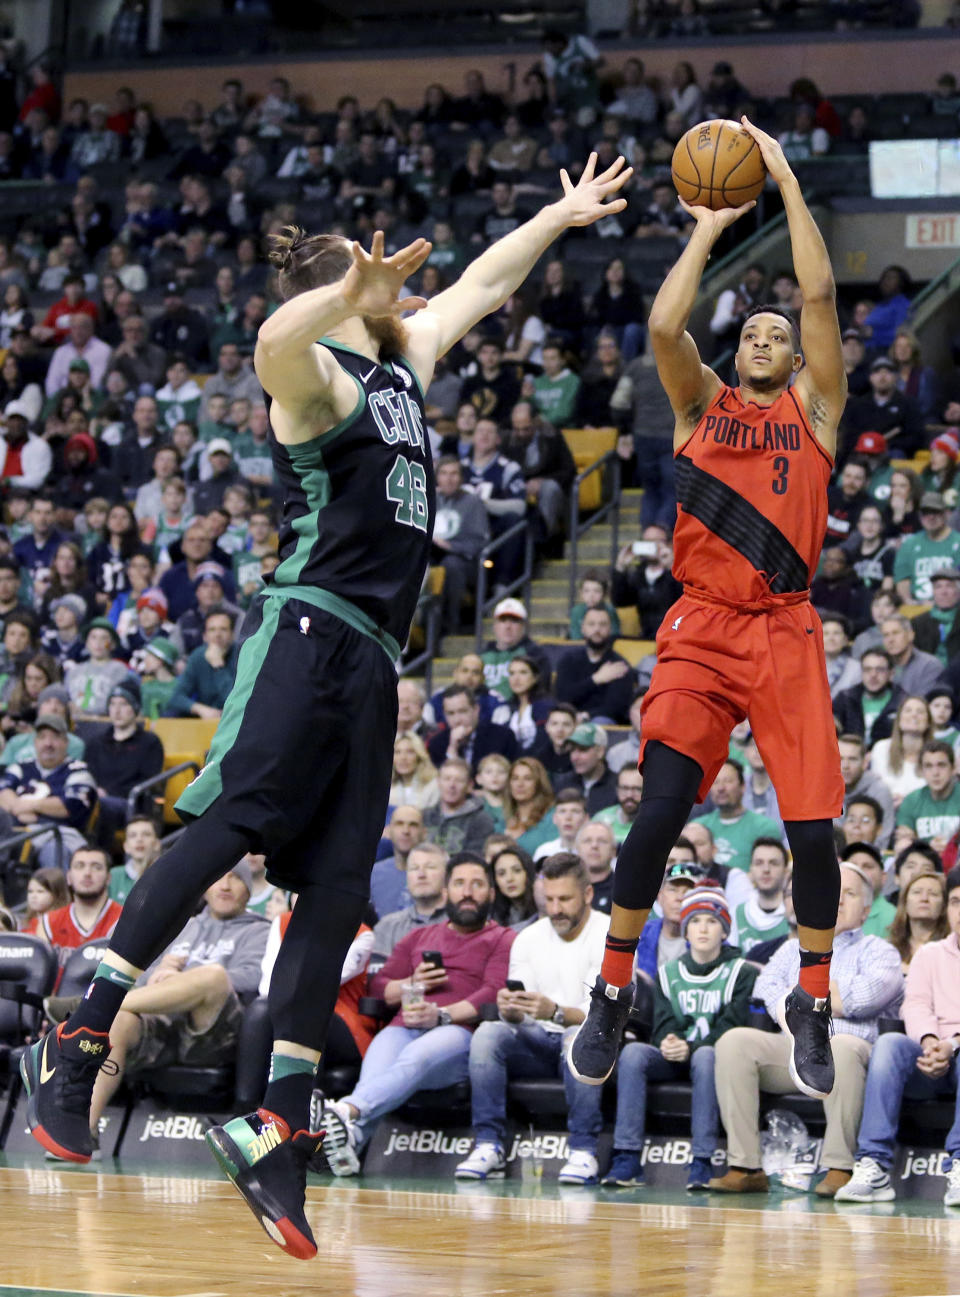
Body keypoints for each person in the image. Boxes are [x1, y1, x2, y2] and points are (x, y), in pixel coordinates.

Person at [20, 154, 630, 1258]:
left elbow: (484, 285)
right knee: (235, 825)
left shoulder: (398, 364)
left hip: (374, 662)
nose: (393, 285)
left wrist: (559, 213)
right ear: (335, 292)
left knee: (335, 891)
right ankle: (79, 1023)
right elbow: (266, 344)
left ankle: (276, 1127)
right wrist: (341, 295)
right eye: (365, 278)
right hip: (303, 629)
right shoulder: (315, 379)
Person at [568, 118, 850, 1104]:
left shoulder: (813, 414)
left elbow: (818, 291)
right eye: (754, 333)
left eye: (781, 335)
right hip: (700, 629)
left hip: (783, 629)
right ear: (735, 354)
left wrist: (778, 173)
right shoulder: (702, 407)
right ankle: (614, 984)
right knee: (656, 816)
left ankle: (813, 996)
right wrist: (703, 229)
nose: (770, 337)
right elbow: (661, 329)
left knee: (815, 835)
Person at [709, 862, 903, 1198]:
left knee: (839, 1045)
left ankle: (840, 1167)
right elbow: (766, 990)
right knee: (734, 1042)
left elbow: (863, 999)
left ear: (866, 910)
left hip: (853, 1051)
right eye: (833, 892)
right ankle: (746, 1166)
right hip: (795, 1045)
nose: (838, 900)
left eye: (850, 894)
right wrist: (829, 995)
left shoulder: (879, 950)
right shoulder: (792, 948)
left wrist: (802, 995)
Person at [320, 853, 515, 1175]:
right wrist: (410, 983)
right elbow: (378, 986)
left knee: (416, 1057)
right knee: (377, 1067)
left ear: (491, 894)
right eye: (460, 884)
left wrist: (440, 1015)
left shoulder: (503, 939)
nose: (468, 892)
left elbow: (493, 991)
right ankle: (349, 1146)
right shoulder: (418, 937)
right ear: (446, 891)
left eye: (478, 884)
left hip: (460, 1032)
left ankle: (347, 1110)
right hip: (404, 1024)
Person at [454, 853, 608, 1185]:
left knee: (577, 1038)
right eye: (549, 899)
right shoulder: (528, 938)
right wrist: (512, 1009)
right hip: (538, 1040)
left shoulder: (609, 934)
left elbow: (604, 1013)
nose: (555, 909)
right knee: (488, 1034)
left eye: (564, 899)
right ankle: (488, 1145)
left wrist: (556, 1011)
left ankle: (583, 1151)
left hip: (591, 1041)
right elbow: (523, 1010)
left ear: (588, 894)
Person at [603, 887, 757, 1190]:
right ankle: (627, 1156)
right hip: (676, 1055)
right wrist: (669, 1041)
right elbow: (662, 1024)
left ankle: (702, 1160)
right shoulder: (668, 973)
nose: (702, 928)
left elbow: (732, 1027)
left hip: (711, 1058)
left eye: (711, 921)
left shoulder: (741, 972)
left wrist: (691, 1047)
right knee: (634, 1054)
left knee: (706, 1055)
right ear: (685, 930)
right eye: (695, 920)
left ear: (724, 930)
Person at [835, 866, 960, 1206]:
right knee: (889, 1043)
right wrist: (930, 1041)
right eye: (955, 902)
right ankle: (873, 1165)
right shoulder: (930, 955)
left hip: (956, 1052)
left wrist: (952, 1044)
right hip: (929, 1056)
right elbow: (915, 1005)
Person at [0, 713, 98, 872]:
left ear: (66, 743)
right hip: (15, 834)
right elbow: (2, 792)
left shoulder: (79, 771)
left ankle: (58, 896)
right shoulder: (21, 767)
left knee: (52, 849)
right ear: (35, 742)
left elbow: (69, 807)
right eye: (42, 737)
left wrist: (28, 808)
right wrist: (22, 810)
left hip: (59, 835)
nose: (48, 743)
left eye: (55, 737)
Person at [83, 679, 164, 843]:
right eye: (112, 704)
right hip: (96, 800)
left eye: (124, 704)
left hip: (133, 804)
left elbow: (148, 781)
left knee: (104, 806)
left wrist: (108, 792)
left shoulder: (150, 743)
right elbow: (86, 774)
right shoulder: (95, 743)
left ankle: (99, 853)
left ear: (135, 708)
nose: (117, 711)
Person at [38, 845, 123, 972]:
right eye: (79, 866)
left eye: (96, 867)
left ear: (108, 878)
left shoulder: (124, 919)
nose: (87, 873)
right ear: (69, 877)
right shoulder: (49, 922)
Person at [695, 761, 783, 874]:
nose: (721, 788)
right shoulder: (698, 827)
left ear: (743, 786)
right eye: (715, 782)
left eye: (728, 781)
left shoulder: (764, 828)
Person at [554, 607, 633, 723]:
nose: (597, 629)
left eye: (603, 624)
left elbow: (616, 708)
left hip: (600, 723)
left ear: (610, 629)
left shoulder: (619, 665)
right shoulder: (568, 660)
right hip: (567, 720)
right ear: (583, 628)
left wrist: (586, 715)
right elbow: (563, 697)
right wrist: (595, 680)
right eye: (591, 624)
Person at [833, 648, 905, 747]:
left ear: (891, 673)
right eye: (867, 669)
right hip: (849, 758)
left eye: (880, 669)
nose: (873, 675)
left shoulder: (903, 701)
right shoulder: (845, 698)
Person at [368, 804, 426, 920]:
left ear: (424, 833)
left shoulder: (437, 874)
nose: (406, 831)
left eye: (413, 825)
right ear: (388, 831)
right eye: (399, 824)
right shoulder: (373, 874)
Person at [735, 838, 791, 954]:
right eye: (759, 863)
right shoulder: (737, 913)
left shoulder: (796, 913)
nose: (766, 869)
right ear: (751, 869)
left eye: (774, 863)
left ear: (786, 871)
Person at [837, 732, 895, 846]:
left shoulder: (880, 791)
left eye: (852, 759)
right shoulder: (826, 792)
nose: (845, 766)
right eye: (840, 759)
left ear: (864, 763)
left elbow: (883, 838)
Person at [886, 870, 949, 973]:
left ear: (943, 907)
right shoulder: (888, 948)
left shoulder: (952, 949)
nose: (924, 898)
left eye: (933, 894)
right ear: (905, 903)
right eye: (917, 892)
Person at [555, 722, 617, 814]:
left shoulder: (617, 786)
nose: (574, 757)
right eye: (572, 750)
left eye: (582, 750)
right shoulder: (562, 783)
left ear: (600, 751)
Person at [109, 814, 162, 905]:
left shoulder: (168, 875)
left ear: (157, 844)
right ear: (126, 846)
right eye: (133, 835)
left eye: (146, 834)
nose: (139, 839)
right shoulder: (112, 875)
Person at [592, 766, 643, 845]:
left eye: (637, 789)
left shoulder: (655, 823)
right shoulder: (601, 819)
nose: (629, 795)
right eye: (624, 788)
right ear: (617, 790)